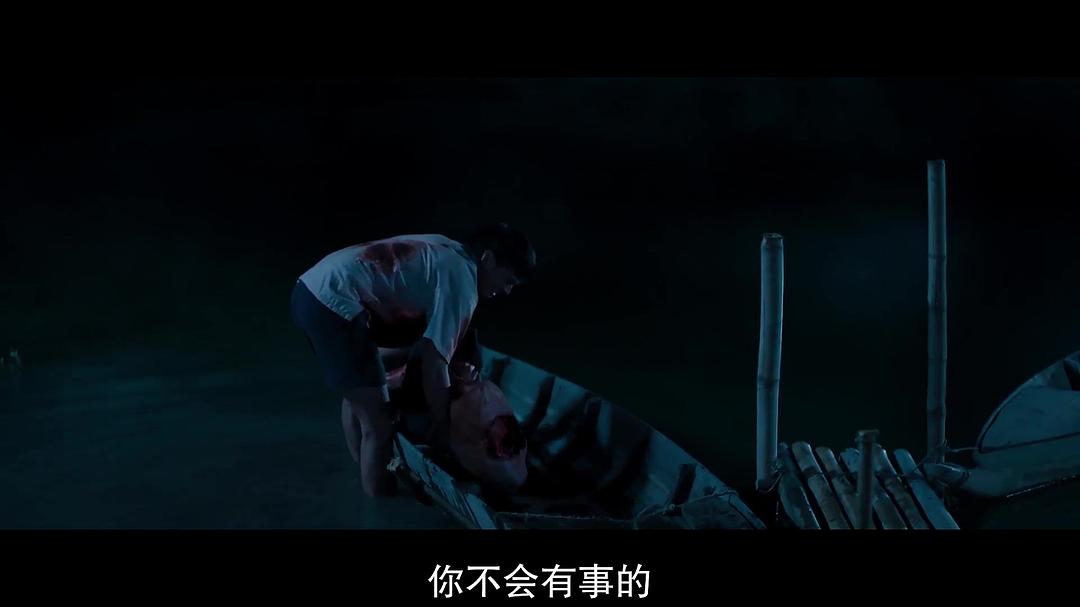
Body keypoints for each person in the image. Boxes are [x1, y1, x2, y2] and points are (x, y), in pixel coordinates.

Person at [290, 223, 535, 497]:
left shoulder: (449, 248)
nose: (507, 291)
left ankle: (364, 463)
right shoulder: (463, 283)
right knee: (379, 426)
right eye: (508, 280)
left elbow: (428, 349)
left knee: (360, 396)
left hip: (310, 288)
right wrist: (442, 427)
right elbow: (434, 364)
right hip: (334, 303)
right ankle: (379, 496)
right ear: (487, 259)